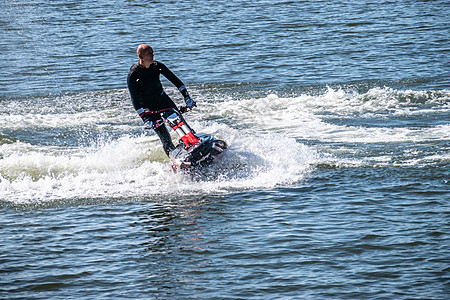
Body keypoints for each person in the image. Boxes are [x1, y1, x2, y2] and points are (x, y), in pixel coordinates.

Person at [127, 44, 196, 156]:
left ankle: (194, 146)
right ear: (140, 56)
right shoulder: (133, 74)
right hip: (149, 109)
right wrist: (144, 118)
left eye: (153, 53)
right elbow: (134, 99)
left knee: (183, 126)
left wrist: (187, 98)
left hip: (164, 101)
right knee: (165, 138)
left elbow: (177, 82)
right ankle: (175, 159)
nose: (152, 56)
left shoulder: (157, 66)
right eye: (149, 53)